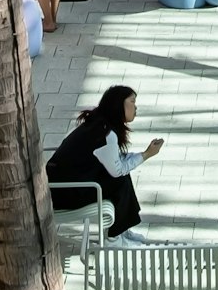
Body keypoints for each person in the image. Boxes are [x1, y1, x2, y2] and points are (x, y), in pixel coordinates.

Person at [47, 85, 161, 236]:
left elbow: (116, 161)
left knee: (121, 177)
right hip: (64, 193)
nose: (136, 107)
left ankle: (122, 231)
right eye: (132, 101)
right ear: (119, 105)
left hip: (63, 187)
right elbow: (117, 170)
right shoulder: (106, 133)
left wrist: (144, 153)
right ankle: (114, 238)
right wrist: (146, 155)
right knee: (119, 180)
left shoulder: (100, 124)